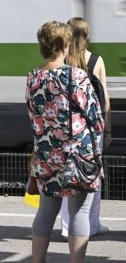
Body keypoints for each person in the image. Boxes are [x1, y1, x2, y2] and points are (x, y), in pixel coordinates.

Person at [27, 21, 104, 263]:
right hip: (77, 156)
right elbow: (96, 118)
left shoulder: (33, 77)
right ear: (65, 46)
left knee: (46, 210)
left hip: (47, 154)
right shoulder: (76, 76)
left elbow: (33, 115)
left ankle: (37, 261)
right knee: (79, 210)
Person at [61, 17, 112, 238]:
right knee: (93, 176)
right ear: (87, 35)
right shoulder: (97, 60)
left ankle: (67, 227)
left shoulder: (63, 60)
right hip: (92, 128)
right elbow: (105, 100)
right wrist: (107, 130)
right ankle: (92, 224)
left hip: (67, 127)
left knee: (67, 175)